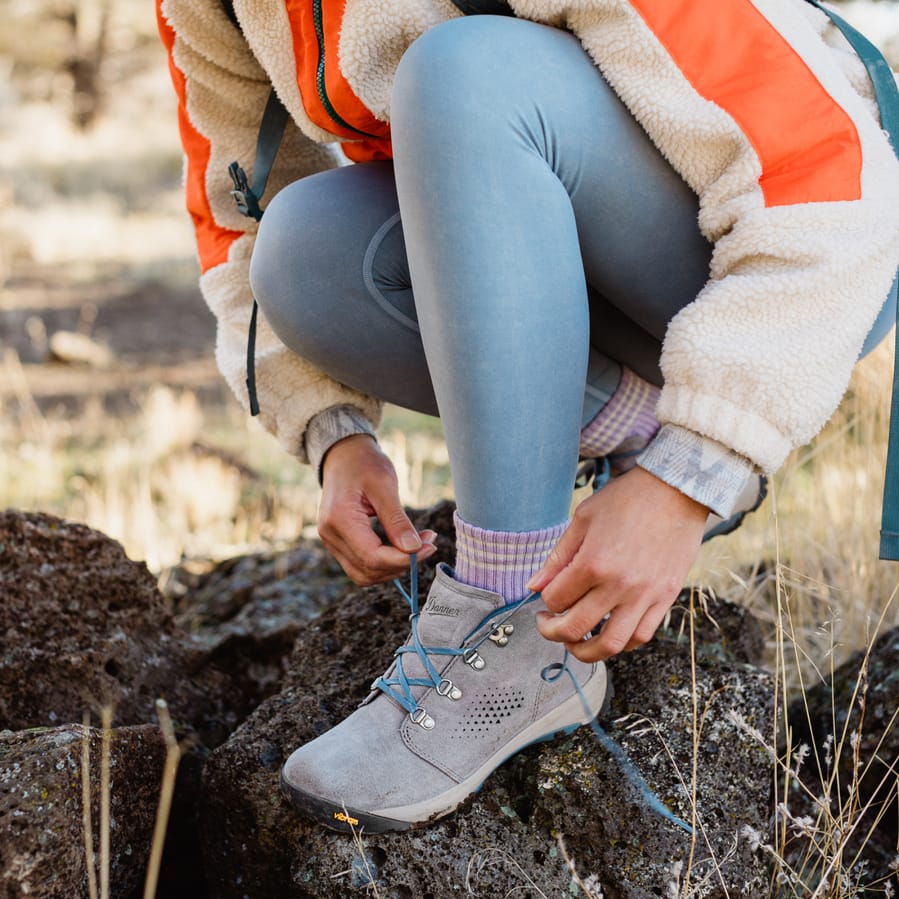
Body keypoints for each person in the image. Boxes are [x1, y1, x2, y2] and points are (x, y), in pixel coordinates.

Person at [158, 0, 899, 833]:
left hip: (793, 245)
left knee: (463, 69)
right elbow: (238, 211)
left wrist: (690, 478)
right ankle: (632, 420)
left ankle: (508, 618)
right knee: (301, 248)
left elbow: (827, 180)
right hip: (556, 237)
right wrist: (334, 434)